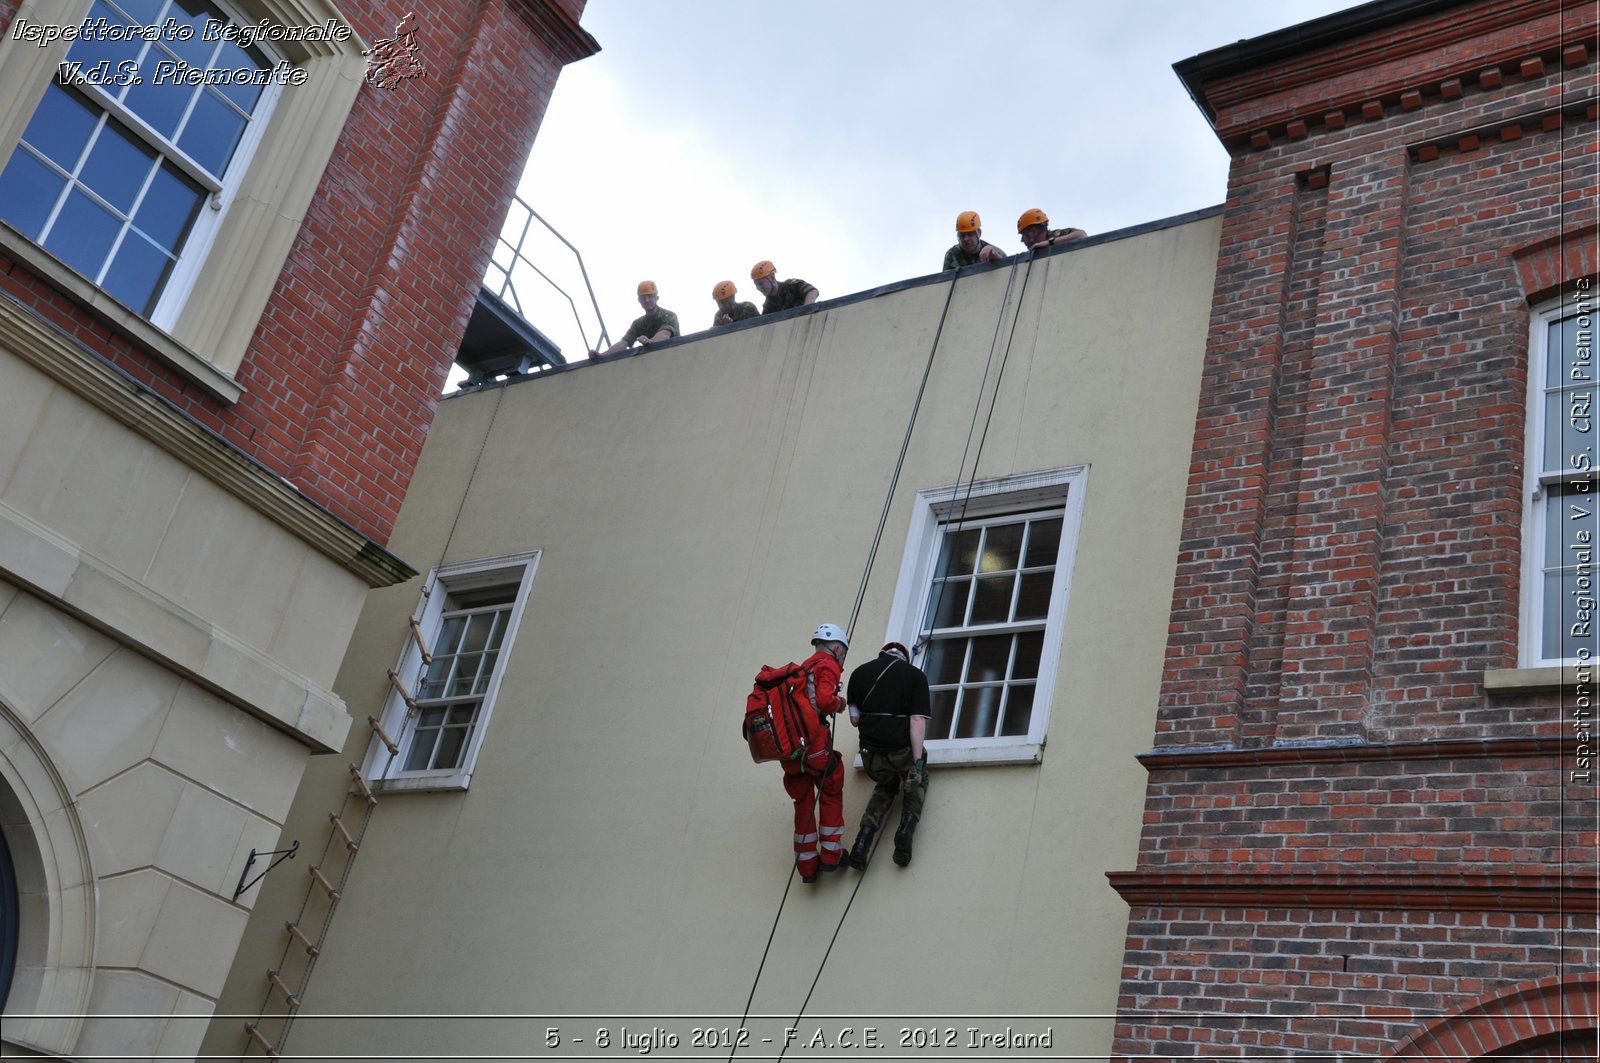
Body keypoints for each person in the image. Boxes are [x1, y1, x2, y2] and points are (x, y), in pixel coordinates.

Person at [845, 641, 930, 869]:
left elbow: (855, 719)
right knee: (916, 782)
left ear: (882, 654)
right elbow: (917, 720)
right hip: (900, 750)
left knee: (886, 786)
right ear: (904, 657)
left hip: (871, 754)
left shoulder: (858, 674)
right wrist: (918, 763)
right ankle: (905, 831)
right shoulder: (915, 676)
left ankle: (861, 844)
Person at [783, 622, 850, 882]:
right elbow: (824, 700)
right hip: (814, 743)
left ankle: (807, 867)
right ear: (836, 648)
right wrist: (839, 703)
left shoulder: (801, 668)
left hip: (791, 751)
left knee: (803, 801)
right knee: (832, 784)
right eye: (842, 652)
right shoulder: (827, 664)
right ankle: (832, 855)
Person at [589, 280, 680, 357]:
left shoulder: (669, 315)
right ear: (639, 300)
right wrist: (602, 355)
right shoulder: (638, 324)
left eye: (650, 296)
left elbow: (665, 334)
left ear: (657, 298)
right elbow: (624, 343)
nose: (647, 300)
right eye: (643, 297)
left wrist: (650, 341)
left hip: (672, 358)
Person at [751, 260, 818, 314]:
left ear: (772, 278)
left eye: (760, 283)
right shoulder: (768, 306)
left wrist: (805, 311)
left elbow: (812, 291)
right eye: (756, 285)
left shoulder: (790, 286)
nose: (758, 288)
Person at [1016, 208, 1087, 253]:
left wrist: (1049, 243)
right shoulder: (1032, 252)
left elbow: (1081, 235)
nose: (1022, 240)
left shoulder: (1054, 236)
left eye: (1024, 234)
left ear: (1033, 231)